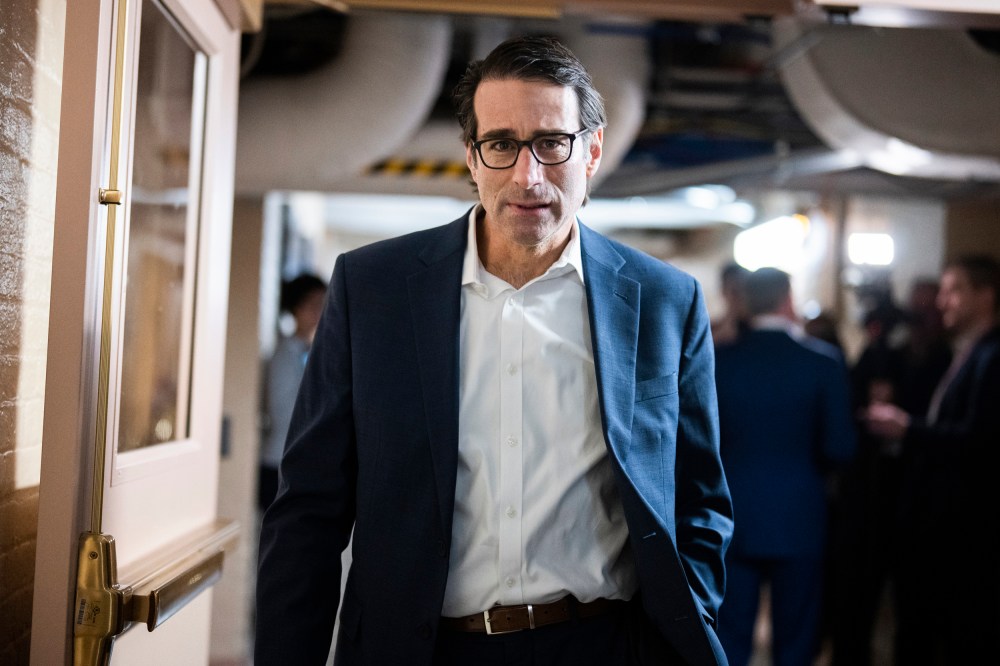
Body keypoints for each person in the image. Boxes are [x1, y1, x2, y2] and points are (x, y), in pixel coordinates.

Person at [255, 36, 733, 666]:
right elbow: (309, 511)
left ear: (592, 151)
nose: (527, 176)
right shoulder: (373, 289)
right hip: (421, 649)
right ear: (472, 157)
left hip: (604, 645)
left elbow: (699, 499)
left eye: (552, 144)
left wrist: (683, 619)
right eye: (502, 144)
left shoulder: (665, 301)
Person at [713, 267, 855, 666]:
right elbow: (840, 447)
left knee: (728, 638)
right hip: (799, 513)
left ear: (744, 301)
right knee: (796, 638)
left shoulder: (719, 360)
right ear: (788, 300)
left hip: (732, 512)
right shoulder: (823, 362)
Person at [864, 254, 1000, 665]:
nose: (943, 302)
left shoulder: (992, 355)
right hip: (943, 524)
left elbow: (982, 440)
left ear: (985, 296)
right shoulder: (970, 351)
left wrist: (907, 428)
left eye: (954, 290)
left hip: (965, 529)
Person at [258, 273, 327, 511]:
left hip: (293, 461)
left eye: (323, 303)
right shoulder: (285, 354)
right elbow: (282, 412)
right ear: (297, 307)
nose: (320, 311)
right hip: (279, 462)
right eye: (313, 304)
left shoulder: (309, 350)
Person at [711, 262, 750, 346]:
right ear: (723, 291)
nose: (741, 297)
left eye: (744, 290)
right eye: (735, 292)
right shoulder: (710, 329)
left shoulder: (758, 328)